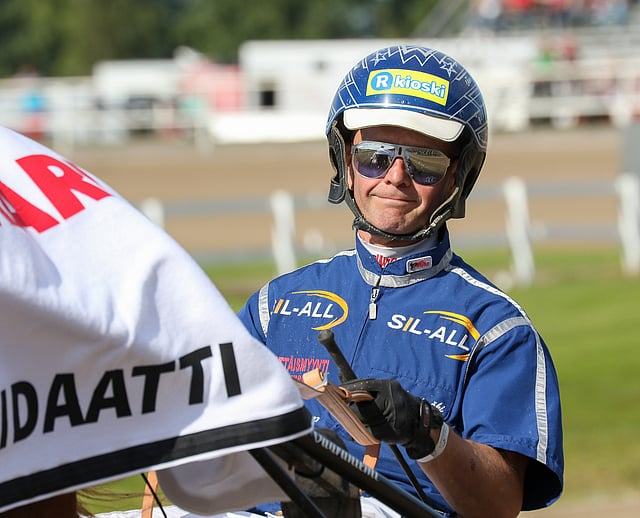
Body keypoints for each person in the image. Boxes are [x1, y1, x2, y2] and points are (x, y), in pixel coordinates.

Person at [238, 44, 564, 517]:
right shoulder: (273, 307)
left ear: (458, 177)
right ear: (344, 162)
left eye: (424, 162)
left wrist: (426, 432)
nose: (395, 177)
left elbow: (499, 505)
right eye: (374, 156)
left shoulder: (497, 331)